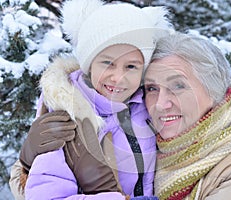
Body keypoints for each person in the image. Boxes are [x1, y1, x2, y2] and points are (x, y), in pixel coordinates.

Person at [9, 0, 172, 199]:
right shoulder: (67, 117)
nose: (118, 77)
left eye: (131, 66)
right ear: (89, 64)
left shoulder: (147, 106)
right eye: (107, 63)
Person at [143, 32, 231, 199]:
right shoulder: (149, 153)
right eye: (152, 88)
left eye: (178, 86)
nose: (161, 104)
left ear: (214, 90)